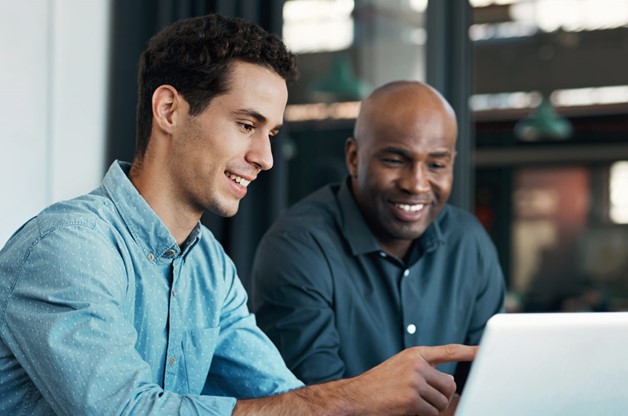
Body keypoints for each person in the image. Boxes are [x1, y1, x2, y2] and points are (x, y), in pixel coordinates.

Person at [0, 14, 476, 416]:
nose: (265, 157)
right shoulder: (67, 248)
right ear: (169, 109)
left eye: (270, 133)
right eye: (247, 125)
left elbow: (280, 397)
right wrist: (354, 395)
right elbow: (130, 410)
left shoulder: (209, 266)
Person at [252, 80, 505, 387]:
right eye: (396, 160)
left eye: (436, 164)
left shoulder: (468, 242)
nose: (417, 184)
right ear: (354, 158)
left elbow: (489, 383)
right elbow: (316, 399)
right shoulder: (297, 245)